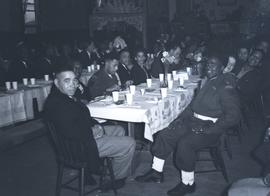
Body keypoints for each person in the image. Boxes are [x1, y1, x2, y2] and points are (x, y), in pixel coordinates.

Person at [135, 56, 241, 196]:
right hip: (193, 121)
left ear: (222, 68)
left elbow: (234, 116)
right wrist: (178, 120)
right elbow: (192, 107)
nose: (209, 67)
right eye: (208, 63)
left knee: (185, 144)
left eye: (214, 64)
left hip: (210, 128)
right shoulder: (207, 81)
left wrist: (209, 128)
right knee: (166, 133)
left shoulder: (225, 86)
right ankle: (156, 172)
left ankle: (188, 183)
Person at [44, 65, 135, 190]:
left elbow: (81, 117)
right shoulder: (57, 104)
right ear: (56, 82)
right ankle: (114, 179)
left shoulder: (63, 97)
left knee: (119, 130)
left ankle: (107, 169)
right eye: (67, 81)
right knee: (129, 143)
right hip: (78, 147)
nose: (73, 84)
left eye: (74, 80)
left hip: (81, 138)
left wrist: (96, 126)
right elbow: (68, 131)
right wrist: (92, 131)